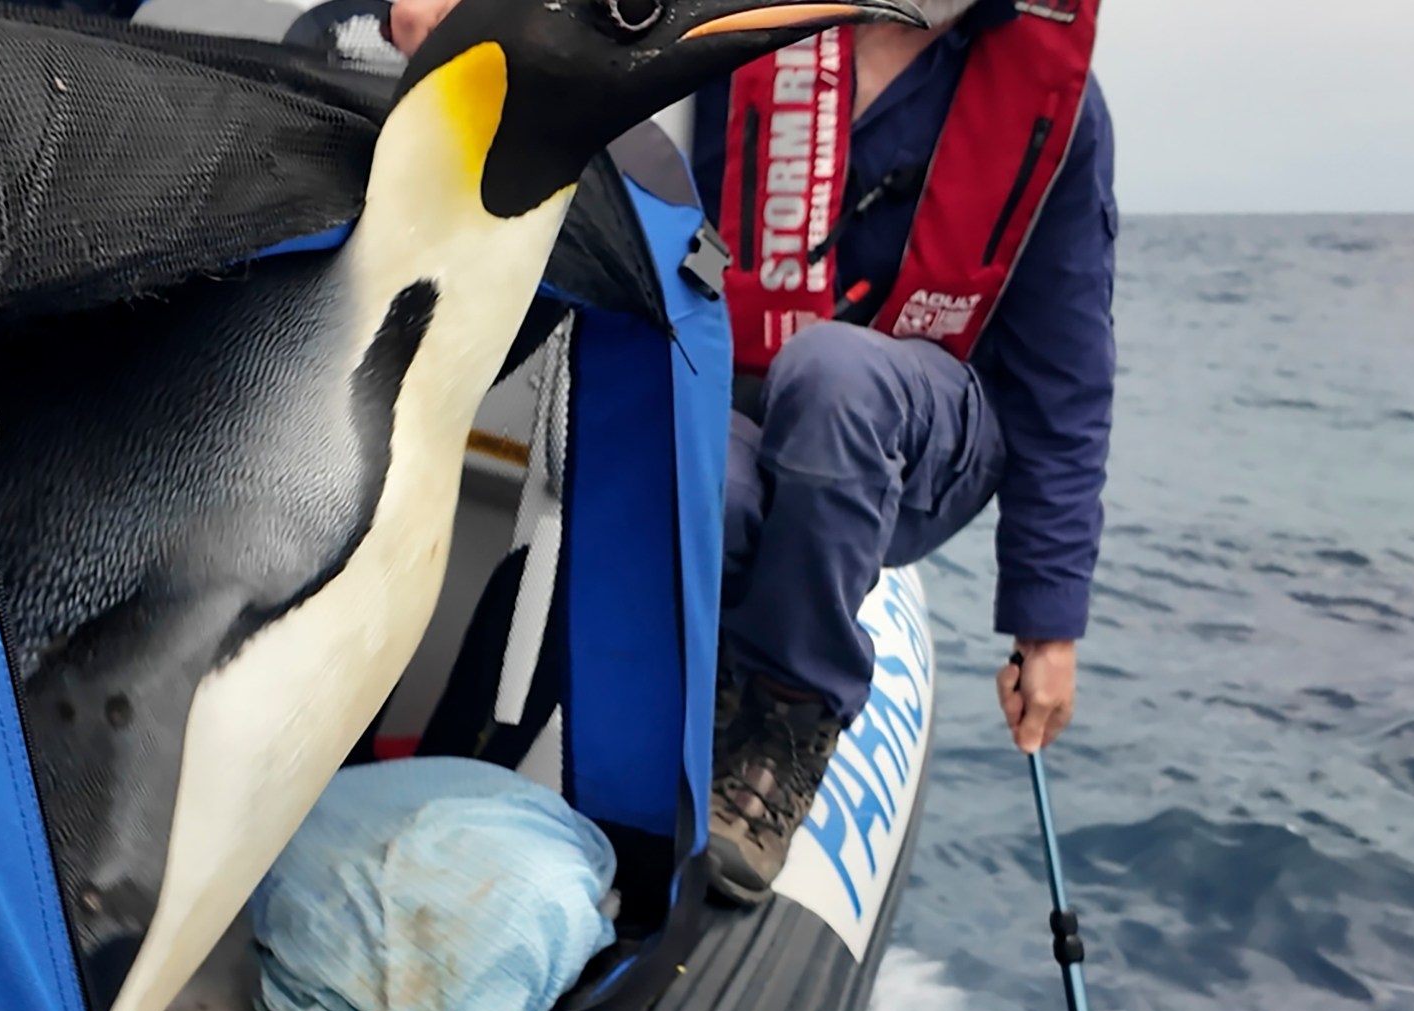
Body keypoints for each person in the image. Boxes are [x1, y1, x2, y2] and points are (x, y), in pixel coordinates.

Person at [387, 0, 1117, 906]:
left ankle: (790, 723)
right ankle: (636, 729)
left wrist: (1047, 627)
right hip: (745, 399)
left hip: (926, 434)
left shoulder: (1063, 110)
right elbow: (611, 32)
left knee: (836, 372)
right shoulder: (748, 26)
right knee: (684, 469)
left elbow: (1066, 378)